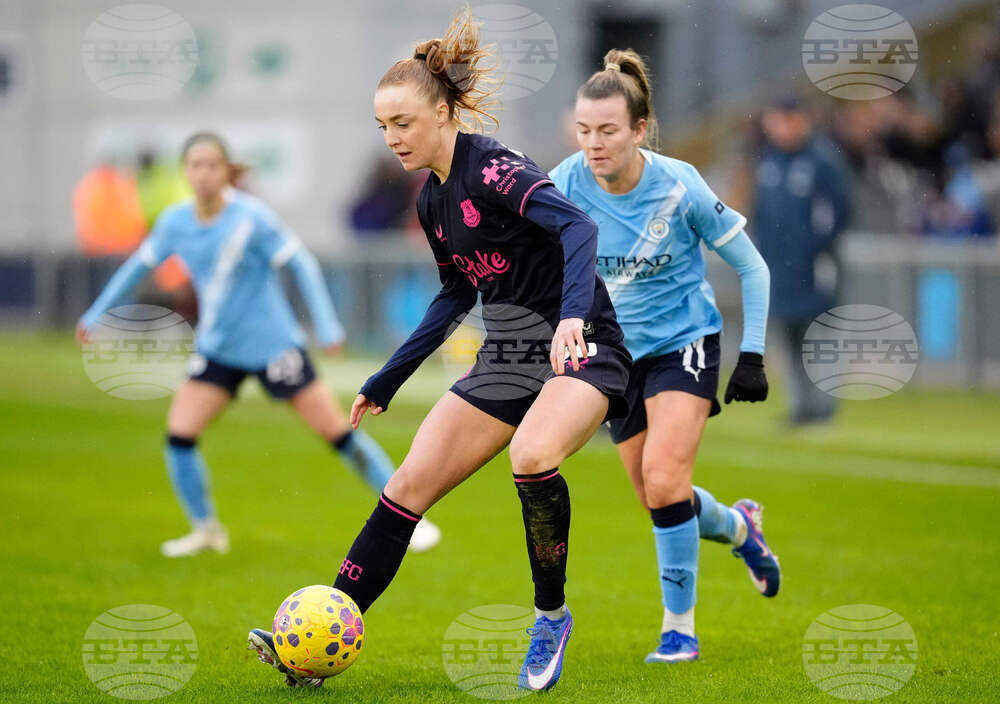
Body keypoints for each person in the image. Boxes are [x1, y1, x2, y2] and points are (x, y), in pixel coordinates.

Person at [248, 8, 631, 691]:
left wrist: (574, 320)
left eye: (404, 123)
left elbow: (577, 228)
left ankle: (550, 615)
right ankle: (312, 644)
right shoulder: (431, 201)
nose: (393, 138)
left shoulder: (495, 170)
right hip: (508, 357)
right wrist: (388, 377)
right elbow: (455, 296)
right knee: (403, 490)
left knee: (532, 456)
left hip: (582, 346)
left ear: (444, 112)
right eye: (383, 127)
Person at [77, 132, 440, 557]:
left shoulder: (252, 217)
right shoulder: (175, 221)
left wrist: (325, 324)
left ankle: (409, 520)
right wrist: (98, 312)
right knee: (179, 435)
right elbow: (135, 268)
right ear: (185, 171)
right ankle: (206, 530)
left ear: (227, 170)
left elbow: (301, 263)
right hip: (218, 348)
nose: (204, 174)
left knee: (339, 433)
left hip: (274, 347)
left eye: (213, 165)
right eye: (195, 165)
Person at [550, 49, 781, 664]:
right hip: (615, 357)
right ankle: (739, 527)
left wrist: (751, 355)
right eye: (584, 130)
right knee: (660, 498)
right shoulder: (564, 183)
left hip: (686, 344)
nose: (593, 144)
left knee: (665, 478)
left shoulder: (681, 186)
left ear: (639, 130)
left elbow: (752, 268)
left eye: (607, 131)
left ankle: (679, 630)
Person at [754, 95, 851, 426]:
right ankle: (799, 406)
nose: (777, 127)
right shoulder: (768, 161)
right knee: (787, 335)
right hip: (778, 267)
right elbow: (761, 213)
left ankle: (823, 406)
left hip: (812, 266)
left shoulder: (820, 161)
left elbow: (839, 210)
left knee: (817, 333)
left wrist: (817, 246)